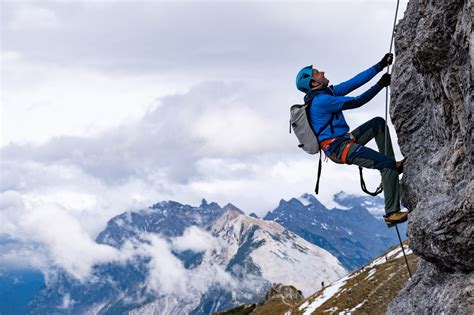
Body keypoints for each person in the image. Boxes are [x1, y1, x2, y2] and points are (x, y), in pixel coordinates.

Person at [295, 53, 408, 227]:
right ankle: (391, 213)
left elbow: (354, 82)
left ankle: (392, 167)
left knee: (378, 124)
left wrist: (379, 65)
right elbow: (357, 101)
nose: (322, 72)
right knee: (386, 164)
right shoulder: (322, 101)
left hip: (343, 141)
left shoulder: (327, 93)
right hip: (339, 148)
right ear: (313, 83)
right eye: (317, 73)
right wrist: (379, 85)